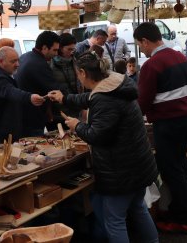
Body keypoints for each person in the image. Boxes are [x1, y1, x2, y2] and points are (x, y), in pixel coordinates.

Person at [48, 51, 158, 243]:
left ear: (82, 72)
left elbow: (97, 136)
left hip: (121, 171)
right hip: (138, 164)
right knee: (138, 209)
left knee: (114, 220)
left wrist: (77, 125)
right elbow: (90, 98)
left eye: (77, 73)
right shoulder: (114, 83)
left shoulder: (104, 98)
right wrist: (64, 98)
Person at [134, 22, 187, 234]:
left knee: (172, 171)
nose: (141, 49)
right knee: (178, 167)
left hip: (168, 123)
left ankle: (182, 219)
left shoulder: (153, 64)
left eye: (140, 45)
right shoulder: (180, 56)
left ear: (145, 41)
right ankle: (178, 210)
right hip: (186, 119)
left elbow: (143, 101)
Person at [0, 46, 44, 145]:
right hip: (1, 136)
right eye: (13, 61)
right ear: (1, 61)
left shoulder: (4, 75)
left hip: (8, 132)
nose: (17, 64)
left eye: (17, 60)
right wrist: (29, 97)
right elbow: (11, 92)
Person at [15, 31, 64, 137]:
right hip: (32, 117)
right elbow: (56, 90)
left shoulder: (25, 56)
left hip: (23, 114)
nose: (56, 54)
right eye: (54, 50)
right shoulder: (39, 64)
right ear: (45, 48)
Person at [47, 33, 81, 131]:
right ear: (60, 48)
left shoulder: (75, 61)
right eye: (69, 49)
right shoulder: (50, 64)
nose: (72, 52)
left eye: (73, 49)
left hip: (74, 108)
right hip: (57, 112)